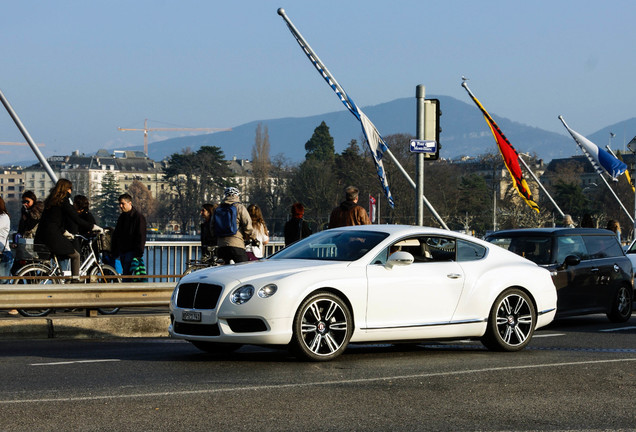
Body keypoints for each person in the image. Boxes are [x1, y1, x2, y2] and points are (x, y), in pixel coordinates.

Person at [35, 179, 100, 280]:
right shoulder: (63, 202)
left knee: (63, 259)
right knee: (76, 256)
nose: (71, 192)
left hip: (42, 236)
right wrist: (92, 226)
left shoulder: (51, 202)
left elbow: (52, 221)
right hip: (52, 236)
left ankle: (63, 279)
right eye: (70, 189)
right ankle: (75, 280)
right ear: (67, 190)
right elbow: (76, 219)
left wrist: (64, 232)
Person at [210, 186, 253, 264]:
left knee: (225, 269)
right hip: (236, 243)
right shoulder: (240, 207)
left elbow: (212, 226)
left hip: (221, 246)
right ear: (237, 196)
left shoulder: (218, 209)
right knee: (243, 268)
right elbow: (247, 224)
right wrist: (250, 236)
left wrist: (216, 238)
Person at [111, 193, 147, 276]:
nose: (120, 206)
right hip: (123, 251)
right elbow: (116, 234)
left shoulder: (138, 217)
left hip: (132, 251)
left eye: (123, 204)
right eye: (120, 204)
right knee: (127, 274)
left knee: (127, 275)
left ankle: (125, 288)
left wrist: (138, 253)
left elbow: (141, 236)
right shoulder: (122, 217)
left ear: (129, 203)